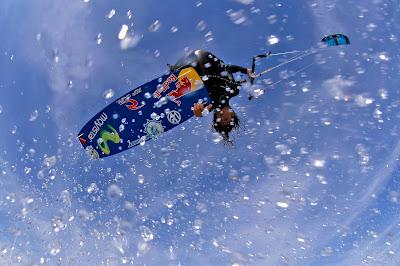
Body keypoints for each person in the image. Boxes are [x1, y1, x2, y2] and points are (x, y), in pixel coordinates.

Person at [171, 50, 255, 143]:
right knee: (224, 76)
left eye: (220, 120)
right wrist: (246, 70)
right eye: (226, 119)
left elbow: (205, 109)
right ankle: (177, 73)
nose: (222, 117)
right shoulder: (233, 91)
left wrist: (199, 113)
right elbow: (227, 68)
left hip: (193, 63)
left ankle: (175, 74)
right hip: (204, 60)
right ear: (232, 114)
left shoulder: (210, 105)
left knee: (204, 94)